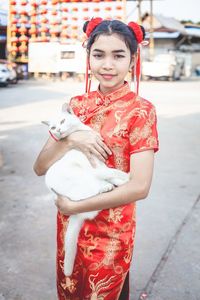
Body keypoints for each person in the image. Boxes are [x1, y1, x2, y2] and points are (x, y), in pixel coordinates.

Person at [33, 18, 159, 300]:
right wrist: (72, 140)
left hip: (111, 234)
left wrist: (74, 204)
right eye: (98, 54)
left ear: (133, 59)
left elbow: (140, 186)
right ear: (87, 56)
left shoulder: (141, 111)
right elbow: (40, 166)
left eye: (118, 55)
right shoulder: (76, 106)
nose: (107, 65)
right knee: (69, 291)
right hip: (70, 228)